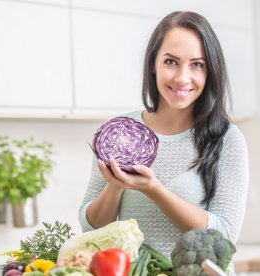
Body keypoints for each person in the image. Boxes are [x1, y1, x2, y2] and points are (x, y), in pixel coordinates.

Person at [79, 11, 249, 274]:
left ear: (211, 70)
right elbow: (91, 229)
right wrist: (114, 187)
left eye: (197, 64)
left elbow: (224, 236)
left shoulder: (227, 139)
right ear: (153, 64)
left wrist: (154, 190)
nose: (182, 78)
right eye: (171, 61)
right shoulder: (119, 133)